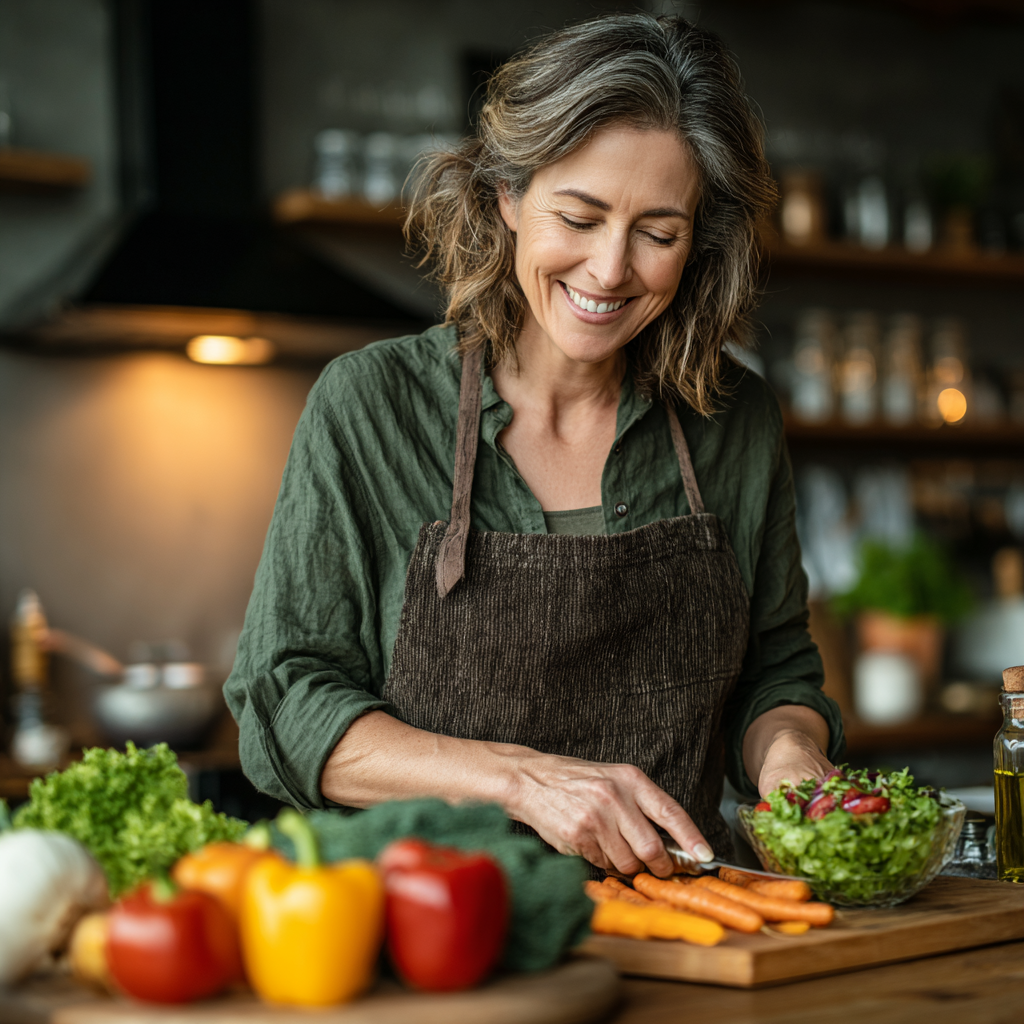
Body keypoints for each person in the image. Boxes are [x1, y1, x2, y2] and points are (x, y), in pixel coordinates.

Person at [225, 12, 843, 879]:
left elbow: (776, 674)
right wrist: (523, 783)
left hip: (684, 931)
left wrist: (788, 758)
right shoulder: (371, 405)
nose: (609, 269)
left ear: (697, 242)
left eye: (658, 234)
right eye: (580, 217)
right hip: (426, 940)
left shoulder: (733, 421)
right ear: (507, 197)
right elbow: (286, 707)